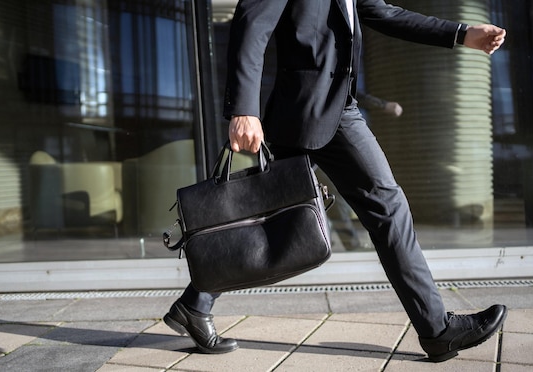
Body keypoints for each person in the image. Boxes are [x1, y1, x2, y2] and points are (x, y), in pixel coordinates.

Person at [163, 0, 507, 363]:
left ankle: (195, 304)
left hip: (326, 107)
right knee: (377, 208)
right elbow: (252, 21)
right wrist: (243, 108)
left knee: (273, 213)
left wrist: (461, 34)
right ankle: (437, 330)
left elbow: (382, 12)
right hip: (311, 108)